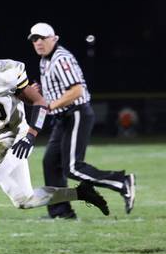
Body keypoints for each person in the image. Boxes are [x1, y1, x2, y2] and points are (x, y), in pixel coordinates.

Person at [0, 26, 109, 254]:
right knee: (24, 200)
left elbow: (41, 103)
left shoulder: (8, 72)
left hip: (16, 138)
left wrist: (31, 135)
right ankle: (82, 192)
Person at [28, 22, 135, 217]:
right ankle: (61, 211)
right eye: (35, 39)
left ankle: (121, 182)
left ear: (54, 38)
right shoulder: (44, 60)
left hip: (76, 113)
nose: (38, 42)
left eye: (42, 38)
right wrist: (42, 92)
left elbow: (77, 90)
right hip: (63, 117)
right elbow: (58, 90)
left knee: (73, 168)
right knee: (51, 162)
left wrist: (51, 106)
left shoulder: (62, 58)